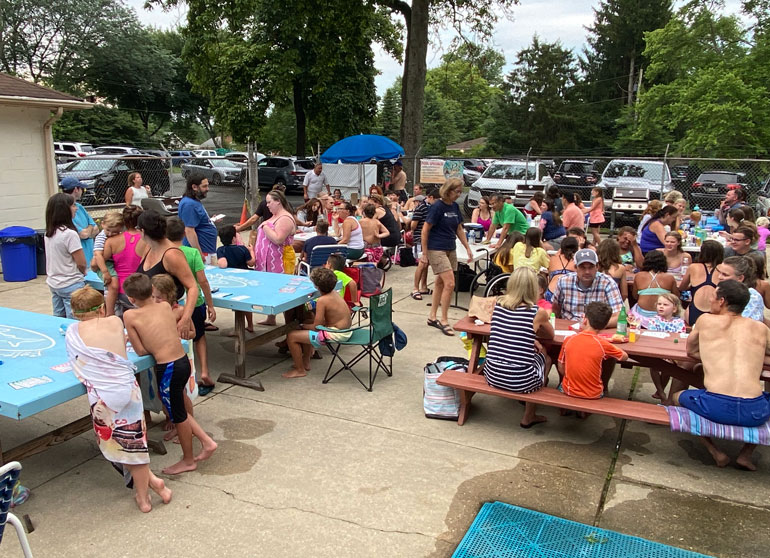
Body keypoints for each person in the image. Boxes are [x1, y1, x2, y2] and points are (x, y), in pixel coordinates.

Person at [65, 286, 172, 513]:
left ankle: (143, 497)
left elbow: (80, 365)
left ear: (74, 313)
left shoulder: (73, 332)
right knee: (134, 443)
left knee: (119, 445)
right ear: (103, 308)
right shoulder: (115, 322)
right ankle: (154, 483)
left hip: (104, 398)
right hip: (128, 391)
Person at [123, 273, 217, 475]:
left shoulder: (130, 315)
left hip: (168, 368)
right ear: (151, 291)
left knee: (178, 416)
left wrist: (141, 340)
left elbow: (140, 351)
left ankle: (188, 460)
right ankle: (207, 441)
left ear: (131, 299)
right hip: (182, 362)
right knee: (180, 406)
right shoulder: (166, 307)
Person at [673, 279, 770, 470]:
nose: (710, 299)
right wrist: (755, 358)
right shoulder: (761, 328)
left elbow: (691, 351)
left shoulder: (706, 321)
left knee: (676, 398)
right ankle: (745, 454)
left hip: (715, 406)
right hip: (754, 411)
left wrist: (711, 356)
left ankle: (714, 451)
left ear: (722, 301)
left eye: (713, 296)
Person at [483, 267, 555, 428]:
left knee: (531, 353)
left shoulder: (498, 304)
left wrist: (531, 339)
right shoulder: (537, 312)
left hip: (492, 374)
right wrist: (535, 340)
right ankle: (529, 415)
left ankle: (531, 400)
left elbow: (509, 332)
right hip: (521, 381)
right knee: (546, 357)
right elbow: (551, 335)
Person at [166, 217, 217, 394]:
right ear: (183, 234)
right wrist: (210, 304)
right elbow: (202, 281)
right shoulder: (191, 253)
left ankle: (184, 374)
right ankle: (204, 370)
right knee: (199, 336)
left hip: (172, 304)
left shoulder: (163, 253)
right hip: (194, 302)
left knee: (177, 338)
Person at [422, 178, 473, 336]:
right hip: (436, 248)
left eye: (460, 192)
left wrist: (467, 247)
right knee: (450, 283)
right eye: (457, 191)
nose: (459, 194)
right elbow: (425, 230)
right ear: (448, 191)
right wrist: (424, 253)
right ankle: (443, 319)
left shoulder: (455, 207)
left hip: (450, 247)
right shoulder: (437, 206)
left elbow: (459, 228)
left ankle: (432, 316)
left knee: (440, 283)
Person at [136, 210, 198, 339]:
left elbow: (192, 287)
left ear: (142, 231)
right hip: (151, 314)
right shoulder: (149, 247)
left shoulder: (172, 254)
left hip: (171, 315)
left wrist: (185, 318)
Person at [283, 267, 352, 378]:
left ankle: (299, 369)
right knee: (307, 321)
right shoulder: (334, 294)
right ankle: (306, 361)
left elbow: (316, 327)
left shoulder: (322, 300)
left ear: (317, 286)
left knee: (292, 336)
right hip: (345, 330)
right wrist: (306, 324)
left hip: (336, 334)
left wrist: (301, 325)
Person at [558, 301, 628, 399]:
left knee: (560, 386)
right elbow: (624, 356)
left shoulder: (569, 339)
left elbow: (561, 366)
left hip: (569, 389)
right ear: (604, 326)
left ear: (585, 320)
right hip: (594, 393)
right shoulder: (603, 344)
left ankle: (566, 409)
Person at [552, 248, 623, 325]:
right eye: (582, 267)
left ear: (597, 267)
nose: (587, 272)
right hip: (568, 326)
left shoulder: (608, 283)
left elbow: (620, 316)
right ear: (575, 268)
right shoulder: (563, 281)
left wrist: (593, 326)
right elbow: (555, 309)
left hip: (597, 329)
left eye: (591, 267)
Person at [44, 192, 86, 318]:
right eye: (73, 205)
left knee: (58, 317)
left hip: (54, 283)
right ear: (64, 210)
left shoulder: (49, 233)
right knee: (74, 320)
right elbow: (81, 262)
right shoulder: (70, 234)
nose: (76, 208)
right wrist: (83, 272)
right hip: (71, 283)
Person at [103, 205, 145, 316]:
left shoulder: (112, 241)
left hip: (118, 291)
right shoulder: (146, 241)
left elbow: (98, 261)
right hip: (138, 291)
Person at [645, 293, 686, 400]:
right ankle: (661, 391)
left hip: (671, 351)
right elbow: (651, 336)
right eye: (659, 304)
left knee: (668, 366)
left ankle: (660, 390)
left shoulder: (679, 322)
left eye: (665, 304)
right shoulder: (653, 320)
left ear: (674, 309)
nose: (661, 306)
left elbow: (680, 337)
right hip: (655, 350)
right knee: (654, 365)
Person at [217, 224, 256, 335]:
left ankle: (238, 329)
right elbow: (251, 262)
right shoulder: (242, 249)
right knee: (246, 303)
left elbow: (223, 264)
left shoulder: (221, 250)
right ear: (234, 238)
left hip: (233, 281)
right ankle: (250, 325)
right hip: (246, 278)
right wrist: (251, 251)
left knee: (238, 305)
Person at [679, 240, 724, 325]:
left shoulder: (693, 267)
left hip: (694, 312)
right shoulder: (723, 269)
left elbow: (682, 288)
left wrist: (693, 286)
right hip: (714, 312)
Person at [631, 250, 679, 327]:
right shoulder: (670, 277)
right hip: (663, 314)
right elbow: (676, 297)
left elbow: (635, 296)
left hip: (641, 315)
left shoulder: (638, 276)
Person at [178, 173, 218, 264]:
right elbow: (189, 230)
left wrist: (211, 220)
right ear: (194, 187)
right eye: (204, 186)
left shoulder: (194, 201)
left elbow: (197, 222)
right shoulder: (189, 205)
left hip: (207, 248)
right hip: (202, 251)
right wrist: (199, 253)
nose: (208, 189)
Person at [91, 210, 123, 317]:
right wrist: (104, 271)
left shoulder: (117, 236)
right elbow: (98, 255)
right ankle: (109, 312)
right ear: (102, 224)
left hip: (112, 263)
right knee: (113, 285)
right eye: (108, 230)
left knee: (111, 287)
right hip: (104, 265)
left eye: (114, 232)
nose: (110, 234)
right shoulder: (101, 237)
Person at [60, 176, 98, 267]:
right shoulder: (64, 211)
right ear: (76, 189)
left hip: (90, 259)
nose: (75, 208)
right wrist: (89, 229)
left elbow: (96, 229)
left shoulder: (79, 207)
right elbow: (83, 235)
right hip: (78, 264)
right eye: (81, 188)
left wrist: (87, 231)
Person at [716, 256, 766, 323]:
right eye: (719, 273)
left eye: (725, 275)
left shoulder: (753, 297)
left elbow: (744, 324)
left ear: (740, 278)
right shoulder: (719, 291)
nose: (719, 277)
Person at [410, 188, 437, 300]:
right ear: (430, 197)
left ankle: (424, 287)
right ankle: (415, 288)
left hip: (431, 239)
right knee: (422, 263)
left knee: (426, 263)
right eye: (437, 200)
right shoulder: (422, 207)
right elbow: (413, 225)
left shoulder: (434, 208)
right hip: (420, 238)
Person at [546, 237, 578, 301]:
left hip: (551, 291)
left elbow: (549, 277)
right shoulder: (577, 260)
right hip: (568, 293)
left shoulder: (553, 258)